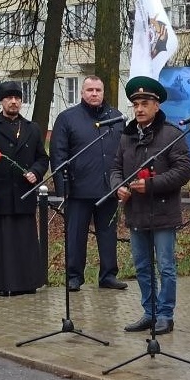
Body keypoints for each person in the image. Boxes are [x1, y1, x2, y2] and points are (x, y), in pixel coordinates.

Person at [111, 76, 190, 335]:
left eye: (145, 103)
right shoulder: (126, 136)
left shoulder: (171, 134)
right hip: (136, 212)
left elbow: (183, 170)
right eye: (135, 104)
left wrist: (151, 184)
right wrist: (119, 187)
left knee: (165, 266)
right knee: (142, 266)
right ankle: (150, 312)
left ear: (157, 106)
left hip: (163, 212)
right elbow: (115, 168)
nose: (139, 109)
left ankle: (166, 315)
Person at [0, 81, 50, 297]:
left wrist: (36, 171)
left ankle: (28, 282)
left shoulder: (32, 128)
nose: (14, 102)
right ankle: (3, 283)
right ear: (2, 101)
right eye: (9, 98)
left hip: (24, 196)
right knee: (3, 243)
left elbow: (42, 158)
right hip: (0, 197)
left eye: (17, 98)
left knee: (25, 242)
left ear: (22, 101)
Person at [50, 75, 125, 292]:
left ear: (103, 93)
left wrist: (122, 183)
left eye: (98, 90)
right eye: (90, 90)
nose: (94, 94)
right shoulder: (67, 118)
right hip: (78, 189)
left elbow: (124, 152)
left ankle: (108, 275)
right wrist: (63, 188)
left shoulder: (117, 117)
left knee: (108, 234)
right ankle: (74, 276)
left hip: (108, 189)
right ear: (82, 93)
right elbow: (58, 154)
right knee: (75, 236)